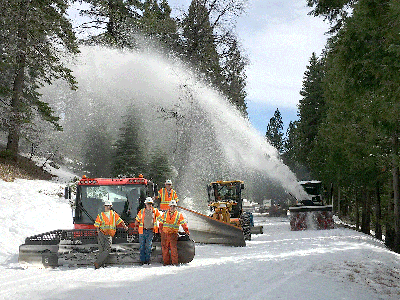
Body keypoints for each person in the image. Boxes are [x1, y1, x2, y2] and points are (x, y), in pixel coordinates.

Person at [93, 200, 128, 269]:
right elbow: (97, 224)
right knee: (101, 250)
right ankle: (101, 265)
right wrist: (98, 231)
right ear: (104, 206)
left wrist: (125, 226)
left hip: (109, 234)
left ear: (111, 207)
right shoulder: (101, 215)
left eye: (109, 206)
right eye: (106, 206)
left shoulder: (114, 214)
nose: (108, 207)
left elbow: (120, 221)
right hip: (101, 233)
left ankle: (97, 262)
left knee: (107, 249)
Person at [159, 200, 189, 266]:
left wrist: (186, 231)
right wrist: (160, 231)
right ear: (169, 207)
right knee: (165, 249)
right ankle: (166, 263)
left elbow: (183, 224)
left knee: (173, 249)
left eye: (174, 206)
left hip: (173, 234)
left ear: (176, 207)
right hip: (165, 234)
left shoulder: (179, 215)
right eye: (171, 206)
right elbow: (161, 223)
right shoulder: (165, 214)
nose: (172, 207)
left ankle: (175, 263)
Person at [135, 197, 162, 265]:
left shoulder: (155, 211)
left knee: (148, 246)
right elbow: (137, 220)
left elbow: (161, 219)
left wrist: (165, 223)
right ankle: (142, 261)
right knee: (142, 246)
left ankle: (147, 260)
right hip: (142, 231)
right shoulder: (142, 211)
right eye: (148, 204)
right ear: (145, 204)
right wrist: (135, 226)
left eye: (150, 204)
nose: (149, 205)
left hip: (150, 231)